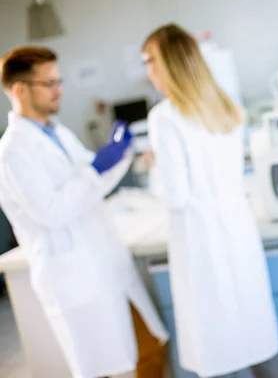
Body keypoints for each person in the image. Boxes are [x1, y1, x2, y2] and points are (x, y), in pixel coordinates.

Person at [0, 47, 169, 378]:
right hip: (75, 279)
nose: (59, 89)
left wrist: (121, 153)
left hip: (105, 264)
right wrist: (95, 169)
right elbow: (51, 212)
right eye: (49, 83)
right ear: (20, 89)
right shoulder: (12, 152)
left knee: (148, 353)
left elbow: (94, 183)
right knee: (112, 367)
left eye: (58, 80)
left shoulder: (57, 132)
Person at [141, 24, 278, 378]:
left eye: (150, 61)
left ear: (171, 62)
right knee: (256, 335)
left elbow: (174, 195)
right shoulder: (225, 108)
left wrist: (153, 166)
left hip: (200, 243)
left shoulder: (164, 117)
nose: (148, 71)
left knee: (215, 348)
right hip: (238, 235)